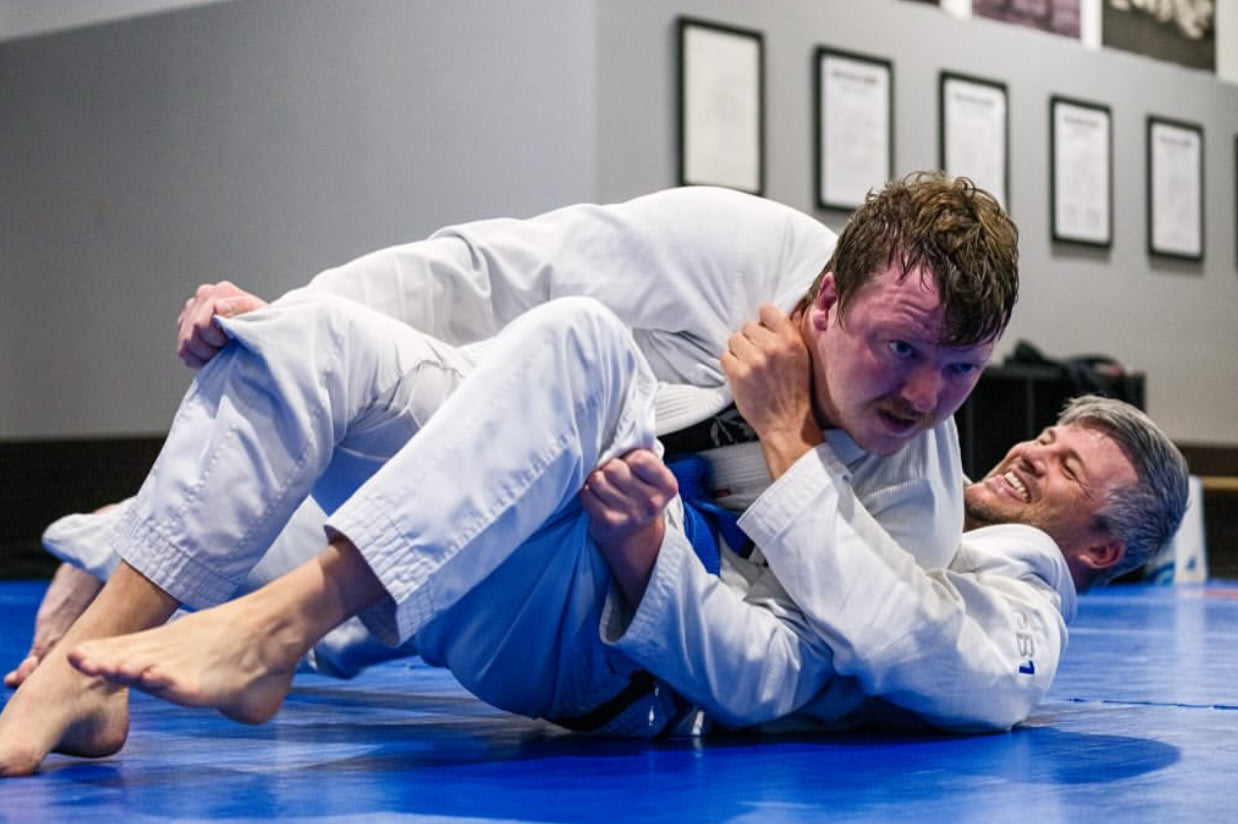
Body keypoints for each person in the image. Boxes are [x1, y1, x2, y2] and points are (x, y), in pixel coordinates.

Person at [0, 175, 1019, 776]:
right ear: (826, 299)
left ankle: (277, 627)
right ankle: (82, 678)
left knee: (585, 347)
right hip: (464, 526)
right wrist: (278, 325)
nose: (926, 396)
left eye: (961, 370)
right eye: (901, 350)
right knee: (307, 335)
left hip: (597, 654)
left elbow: (771, 677)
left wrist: (661, 548)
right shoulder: (738, 249)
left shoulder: (911, 507)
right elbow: (493, 270)